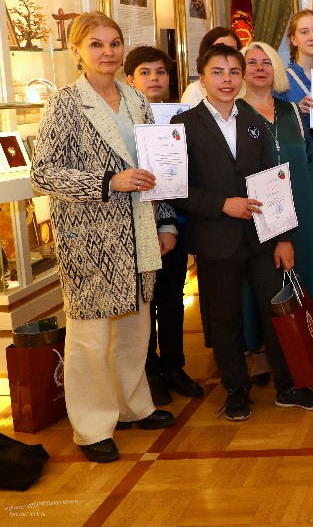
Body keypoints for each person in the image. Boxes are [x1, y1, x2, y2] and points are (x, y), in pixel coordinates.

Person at [31, 13, 177, 463]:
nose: (108, 52)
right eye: (96, 44)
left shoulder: (137, 99)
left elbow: (157, 168)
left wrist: (166, 222)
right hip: (89, 236)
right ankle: (92, 426)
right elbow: (43, 174)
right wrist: (108, 181)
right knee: (91, 337)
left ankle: (133, 406)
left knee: (135, 328)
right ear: (76, 51)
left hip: (139, 229)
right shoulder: (64, 104)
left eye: (114, 43)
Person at [172, 44, 313, 421]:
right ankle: (236, 390)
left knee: (276, 312)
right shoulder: (184, 125)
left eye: (233, 72)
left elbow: (271, 181)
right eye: (217, 72)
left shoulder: (253, 121)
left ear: (241, 77)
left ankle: (288, 387)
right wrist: (222, 204)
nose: (226, 80)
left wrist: (284, 237)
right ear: (202, 78)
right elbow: (175, 188)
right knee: (226, 319)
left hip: (263, 236)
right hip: (216, 239)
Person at [237, 42, 313, 346]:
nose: (260, 69)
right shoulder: (236, 113)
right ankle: (263, 349)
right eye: (252, 63)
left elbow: (310, 156)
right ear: (241, 71)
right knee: (263, 280)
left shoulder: (290, 111)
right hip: (258, 211)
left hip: (300, 207)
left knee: (305, 271)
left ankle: (304, 341)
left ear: (276, 69)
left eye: (266, 63)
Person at [124, 46, 203, 407]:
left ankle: (174, 366)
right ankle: (150, 371)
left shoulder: (179, 117)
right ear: (130, 79)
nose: (154, 79)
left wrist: (168, 223)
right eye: (145, 72)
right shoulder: (123, 120)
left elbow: (174, 177)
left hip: (173, 224)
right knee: (143, 303)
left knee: (172, 299)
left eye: (160, 72)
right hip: (133, 224)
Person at [275, 10, 313, 116]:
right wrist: (294, 113)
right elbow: (274, 122)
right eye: (304, 32)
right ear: (293, 39)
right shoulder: (283, 80)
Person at [180, 27, 241, 105]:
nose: (226, 55)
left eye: (232, 50)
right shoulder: (194, 91)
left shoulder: (246, 88)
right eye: (219, 49)